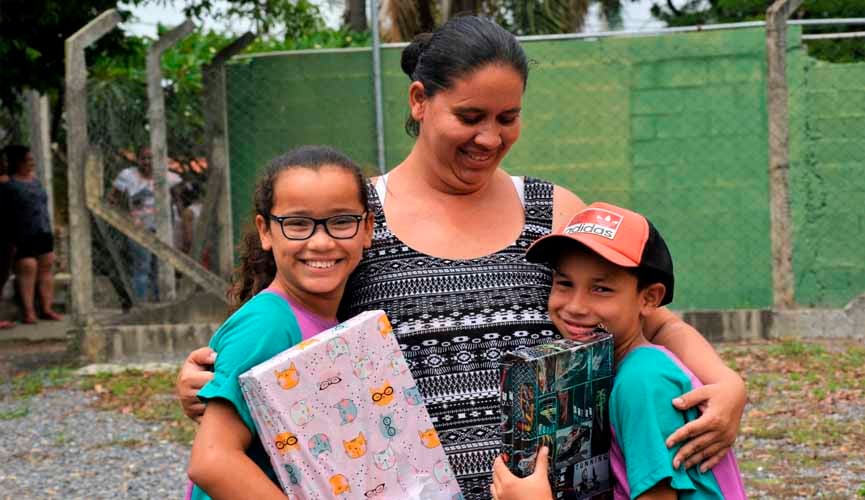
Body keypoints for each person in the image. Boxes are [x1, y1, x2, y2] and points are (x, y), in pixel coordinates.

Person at [176, 16, 746, 499]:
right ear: (420, 101)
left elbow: (648, 318)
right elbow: (283, 333)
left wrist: (726, 383)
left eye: (508, 118)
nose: (490, 139)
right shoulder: (353, 219)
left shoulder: (552, 210)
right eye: (470, 118)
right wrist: (207, 378)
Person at [491, 202, 746, 500]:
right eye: (564, 283)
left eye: (601, 289)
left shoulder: (643, 380)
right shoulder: (611, 370)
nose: (575, 306)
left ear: (649, 298)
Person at [186, 146, 373, 500]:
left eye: (342, 221)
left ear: (367, 229)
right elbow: (212, 460)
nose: (321, 242)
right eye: (298, 224)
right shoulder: (268, 324)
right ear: (266, 231)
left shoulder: (331, 316)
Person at [108, 146, 181, 301]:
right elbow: (112, 198)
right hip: (138, 228)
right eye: (143, 158)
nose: (147, 162)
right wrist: (123, 216)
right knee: (142, 267)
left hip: (162, 228)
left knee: (161, 267)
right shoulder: (128, 176)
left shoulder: (168, 177)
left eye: (151, 158)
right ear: (137, 159)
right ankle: (140, 304)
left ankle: (159, 303)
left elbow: (178, 200)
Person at [5, 144, 62, 324]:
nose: (32, 163)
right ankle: (29, 312)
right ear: (18, 162)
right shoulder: (9, 185)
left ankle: (47, 308)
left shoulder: (36, 181)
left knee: (47, 266)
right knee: (28, 267)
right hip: (22, 234)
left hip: (42, 230)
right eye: (28, 160)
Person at [0, 147, 16, 329]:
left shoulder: (8, 183)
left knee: (3, 275)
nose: (5, 164)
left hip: (6, 236)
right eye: (2, 161)